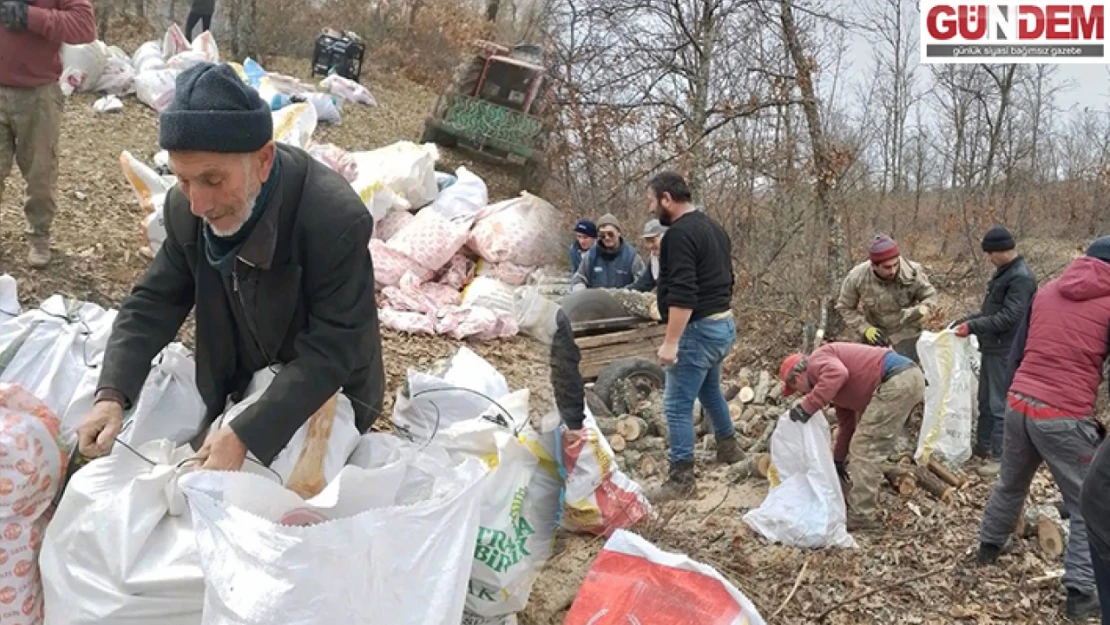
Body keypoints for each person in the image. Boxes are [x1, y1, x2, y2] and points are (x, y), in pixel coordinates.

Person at [75, 63, 385, 473]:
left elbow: (334, 346)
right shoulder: (185, 210)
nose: (199, 203)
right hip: (240, 373)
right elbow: (154, 302)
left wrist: (249, 432)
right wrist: (112, 393)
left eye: (213, 180)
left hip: (327, 388)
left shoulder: (333, 221)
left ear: (263, 161)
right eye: (184, 180)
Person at [977, 237, 1110, 622]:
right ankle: (1082, 592)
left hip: (1020, 402)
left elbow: (1018, 351)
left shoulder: (1049, 289)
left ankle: (988, 546)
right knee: (1089, 505)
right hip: (1063, 413)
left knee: (1010, 482)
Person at [645, 172, 742, 501]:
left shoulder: (679, 235)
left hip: (698, 330)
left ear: (667, 199)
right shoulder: (712, 227)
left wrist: (671, 341)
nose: (652, 208)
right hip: (723, 324)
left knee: (675, 405)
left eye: (652, 201)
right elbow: (728, 277)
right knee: (710, 389)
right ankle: (728, 447)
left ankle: (682, 479)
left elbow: (684, 293)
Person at [779, 342, 925, 530]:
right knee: (866, 443)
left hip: (898, 379)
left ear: (797, 377)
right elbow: (847, 427)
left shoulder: (817, 360)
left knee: (865, 449)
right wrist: (838, 460)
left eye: (797, 388)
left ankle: (862, 515)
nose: (801, 393)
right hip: (905, 378)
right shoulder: (836, 390)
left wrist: (808, 406)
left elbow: (838, 373)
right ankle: (862, 506)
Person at [0, 0, 96, 267]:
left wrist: (29, 15)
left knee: (40, 172)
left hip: (38, 93)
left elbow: (84, 27)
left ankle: (39, 235)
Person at [952, 225, 1037, 478]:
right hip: (992, 346)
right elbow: (991, 311)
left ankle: (1000, 457)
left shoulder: (1020, 277)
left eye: (991, 253)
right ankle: (983, 446)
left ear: (1002, 250)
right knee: (985, 399)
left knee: (999, 402)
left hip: (1005, 349)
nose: (989, 259)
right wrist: (966, 321)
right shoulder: (1004, 273)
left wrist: (974, 326)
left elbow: (1010, 317)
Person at [836, 234, 937, 362]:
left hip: (908, 333)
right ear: (874, 266)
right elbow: (845, 307)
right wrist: (865, 329)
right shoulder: (857, 277)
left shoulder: (913, 272)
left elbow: (930, 296)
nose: (893, 270)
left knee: (908, 374)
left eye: (895, 264)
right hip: (876, 336)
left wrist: (921, 310)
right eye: (887, 267)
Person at [570, 213, 645, 291]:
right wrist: (580, 291)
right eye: (602, 235)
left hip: (622, 301)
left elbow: (641, 284)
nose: (607, 238)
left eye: (610, 234)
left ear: (618, 232)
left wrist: (625, 293)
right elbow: (579, 278)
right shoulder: (591, 255)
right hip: (596, 301)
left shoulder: (632, 257)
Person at [628, 218, 666, 292]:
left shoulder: (679, 256)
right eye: (647, 241)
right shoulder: (655, 259)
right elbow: (643, 284)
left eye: (653, 241)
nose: (650, 246)